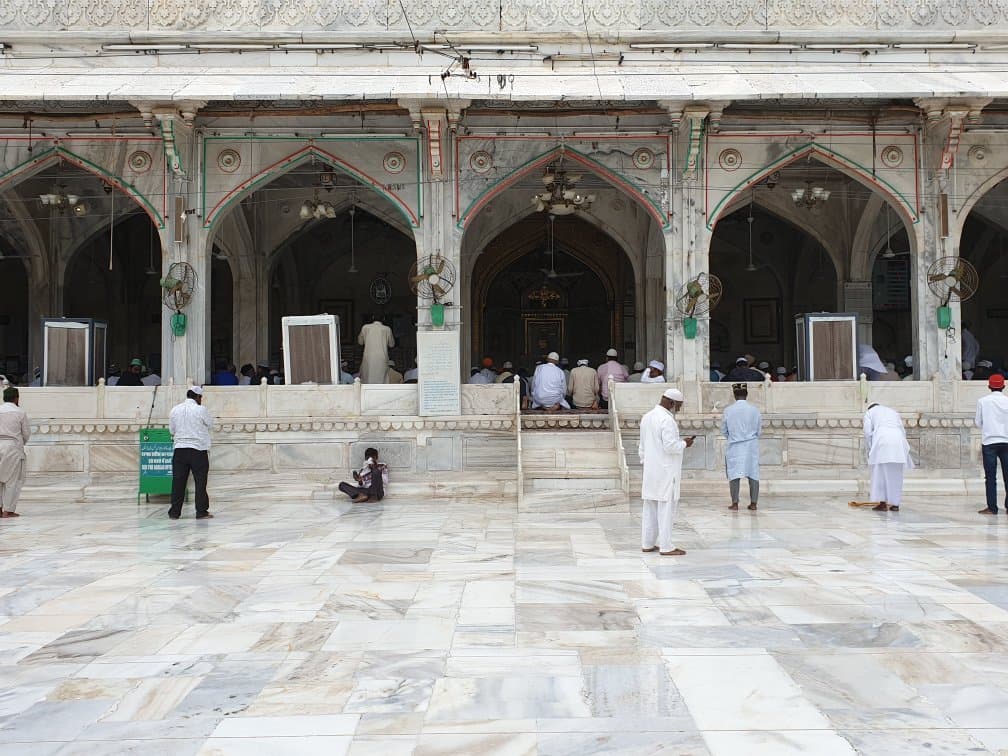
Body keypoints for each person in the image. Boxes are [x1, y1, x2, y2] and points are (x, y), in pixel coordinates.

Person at [638, 387, 694, 556]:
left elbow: (642, 447)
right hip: (666, 472)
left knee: (650, 507)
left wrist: (649, 464)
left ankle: (647, 543)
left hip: (651, 471)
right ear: (671, 402)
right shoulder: (667, 420)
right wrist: (685, 443)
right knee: (666, 509)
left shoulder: (647, 417)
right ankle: (666, 546)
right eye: (678, 405)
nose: (679, 409)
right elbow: (670, 447)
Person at [168, 386, 214, 520]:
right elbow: (211, 424)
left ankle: (174, 513)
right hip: (197, 450)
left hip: (180, 450)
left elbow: (171, 430)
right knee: (200, 482)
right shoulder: (201, 409)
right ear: (198, 397)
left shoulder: (175, 409)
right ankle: (201, 511)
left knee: (178, 482)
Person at [862, 402, 914, 512]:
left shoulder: (869, 412)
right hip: (898, 440)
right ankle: (895, 504)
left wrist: (871, 448)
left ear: (870, 408)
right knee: (896, 475)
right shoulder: (893, 412)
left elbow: (867, 432)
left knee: (880, 475)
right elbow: (902, 431)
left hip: (882, 440)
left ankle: (882, 504)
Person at [721, 383, 762, 511]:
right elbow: (759, 430)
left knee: (734, 474)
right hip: (751, 446)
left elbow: (724, 430)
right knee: (753, 473)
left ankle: (735, 503)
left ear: (734, 395)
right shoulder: (755, 410)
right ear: (746, 394)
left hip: (735, 446)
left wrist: (733, 437)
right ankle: (753, 503)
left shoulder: (728, 410)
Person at [976, 373, 1008, 515]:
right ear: (1003, 386)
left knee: (990, 477)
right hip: (1006, 441)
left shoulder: (982, 401)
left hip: (989, 442)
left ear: (989, 386)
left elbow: (978, 423)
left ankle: (992, 507)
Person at [0, 387, 30, 518]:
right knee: (13, 480)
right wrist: (20, 443)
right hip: (12, 447)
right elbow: (26, 433)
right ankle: (8, 510)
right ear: (16, 398)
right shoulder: (20, 412)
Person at [357, 315, 395, 384]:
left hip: (368, 357)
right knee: (382, 379)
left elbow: (360, 342)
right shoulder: (387, 329)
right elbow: (391, 344)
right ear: (384, 318)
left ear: (372, 318)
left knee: (368, 378)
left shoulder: (365, 327)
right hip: (382, 358)